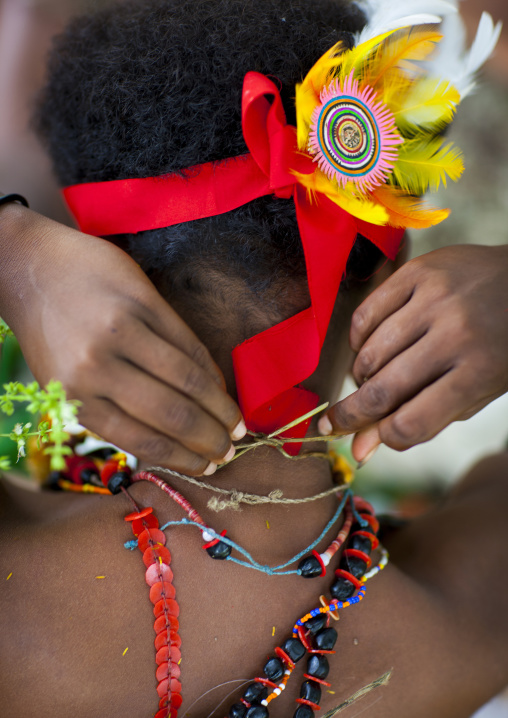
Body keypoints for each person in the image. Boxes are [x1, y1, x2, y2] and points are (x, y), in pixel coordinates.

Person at [0, 1, 507, 717]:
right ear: (397, 273)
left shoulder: (19, 605)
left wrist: (14, 253)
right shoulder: (475, 600)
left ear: (91, 262)